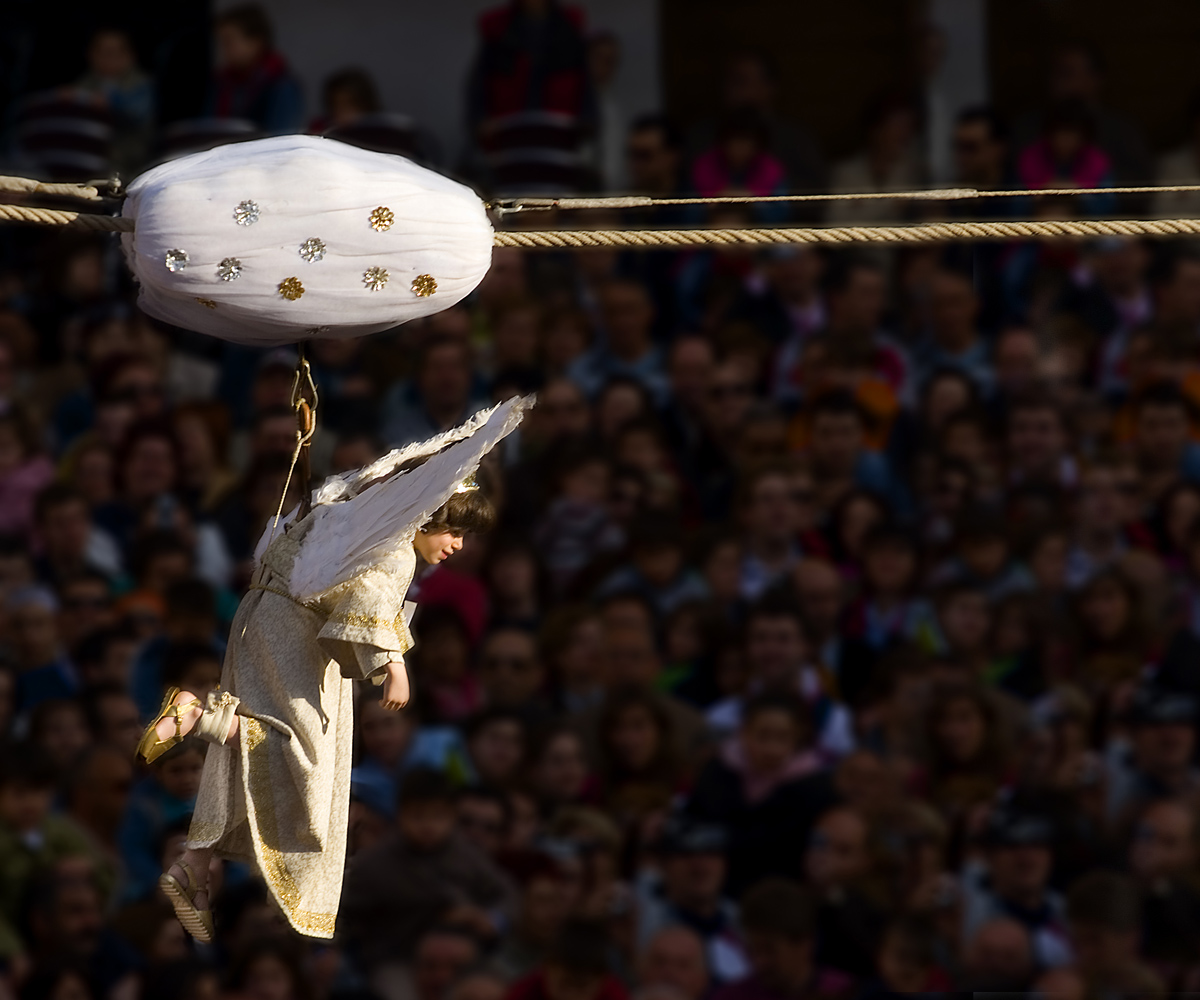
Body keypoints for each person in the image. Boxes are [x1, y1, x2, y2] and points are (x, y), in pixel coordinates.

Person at [137, 398, 529, 942]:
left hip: (261, 617)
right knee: (301, 754)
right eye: (454, 532)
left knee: (267, 744)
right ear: (429, 515)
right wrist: (394, 666)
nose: (458, 546)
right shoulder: (392, 548)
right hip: (290, 633)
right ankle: (196, 719)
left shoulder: (353, 516)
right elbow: (366, 599)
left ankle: (196, 864)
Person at [713, 879, 852, 1000]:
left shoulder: (844, 993)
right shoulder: (732, 997)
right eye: (753, 949)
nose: (759, 961)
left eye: (769, 950)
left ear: (804, 944)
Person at [207, 4, 305, 134]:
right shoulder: (220, 83)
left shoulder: (281, 86)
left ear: (255, 42)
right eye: (221, 43)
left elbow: (280, 138)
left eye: (229, 41)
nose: (223, 50)